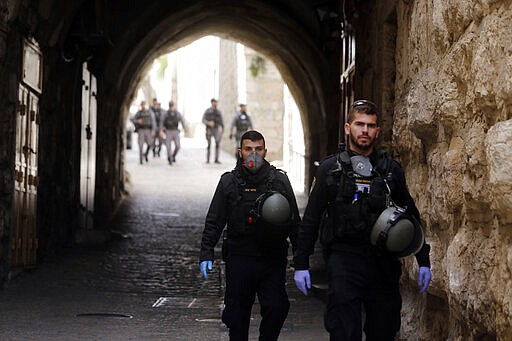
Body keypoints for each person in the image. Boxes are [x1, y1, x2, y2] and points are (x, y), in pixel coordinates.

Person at [293, 100, 432, 341]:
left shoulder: (390, 171)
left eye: (370, 125)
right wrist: (301, 264)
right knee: (344, 331)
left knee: (384, 330)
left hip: (383, 264)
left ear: (377, 130)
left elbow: (409, 214)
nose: (365, 130)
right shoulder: (330, 169)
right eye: (359, 124)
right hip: (344, 262)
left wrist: (423, 259)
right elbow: (311, 220)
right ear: (348, 128)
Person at [199, 130, 301, 341]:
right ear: (240, 152)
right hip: (240, 258)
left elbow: (294, 223)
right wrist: (206, 252)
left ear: (265, 151)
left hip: (271, 258)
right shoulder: (228, 182)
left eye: (258, 149)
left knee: (276, 307)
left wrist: (302, 260)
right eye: (248, 149)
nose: (253, 154)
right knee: (236, 316)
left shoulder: (279, 181)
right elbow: (215, 220)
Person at [159, 101, 187, 165]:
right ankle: (170, 158)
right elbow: (161, 122)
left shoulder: (177, 113)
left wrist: (184, 128)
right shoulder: (165, 113)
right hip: (168, 131)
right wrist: (161, 130)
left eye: (172, 106)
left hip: (175, 131)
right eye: (170, 106)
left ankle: (173, 156)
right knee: (168, 146)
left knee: (178, 146)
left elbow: (182, 120)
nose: (171, 107)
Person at [130, 100, 156, 164]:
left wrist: (153, 130)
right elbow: (132, 119)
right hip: (141, 130)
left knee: (150, 143)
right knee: (140, 145)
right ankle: (141, 160)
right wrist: (137, 121)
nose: (143, 106)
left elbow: (153, 121)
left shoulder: (150, 112)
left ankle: (146, 154)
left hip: (148, 130)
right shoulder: (139, 113)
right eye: (142, 105)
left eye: (144, 104)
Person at [202, 98, 224, 164]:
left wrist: (222, 128)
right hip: (209, 129)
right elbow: (203, 120)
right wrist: (208, 123)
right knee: (209, 144)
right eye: (214, 102)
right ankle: (208, 159)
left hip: (216, 129)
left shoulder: (218, 112)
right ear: (211, 103)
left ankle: (216, 159)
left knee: (217, 143)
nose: (215, 103)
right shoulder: (207, 111)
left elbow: (221, 121)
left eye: (216, 102)